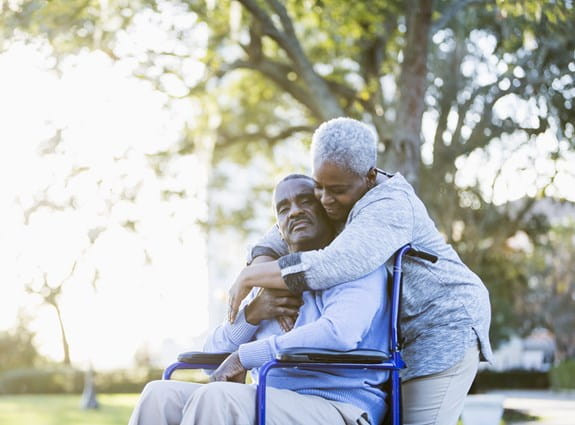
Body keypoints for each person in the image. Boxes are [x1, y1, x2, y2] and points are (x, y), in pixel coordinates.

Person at [228, 117, 493, 425]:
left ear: (369, 177)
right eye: (319, 188)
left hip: (443, 323)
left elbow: (331, 266)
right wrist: (263, 275)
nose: (325, 200)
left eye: (336, 190)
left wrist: (249, 278)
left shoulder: (389, 206)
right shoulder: (337, 190)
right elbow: (275, 237)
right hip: (398, 337)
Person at [128, 174, 391, 425]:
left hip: (338, 406)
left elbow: (339, 333)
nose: (295, 211)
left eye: (306, 201)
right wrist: (251, 315)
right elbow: (211, 361)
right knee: (159, 395)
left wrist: (246, 356)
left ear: (327, 209)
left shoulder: (355, 263)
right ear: (279, 230)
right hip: (270, 400)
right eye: (283, 208)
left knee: (217, 398)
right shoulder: (268, 278)